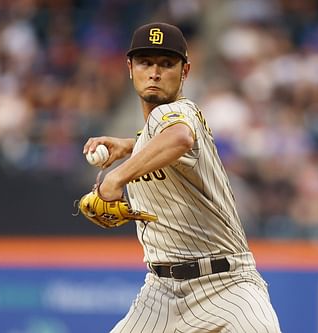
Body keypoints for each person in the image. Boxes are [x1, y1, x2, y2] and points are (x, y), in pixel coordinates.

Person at [83, 22, 282, 333]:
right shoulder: (149, 139)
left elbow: (179, 139)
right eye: (145, 62)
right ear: (130, 68)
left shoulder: (181, 111)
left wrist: (116, 177)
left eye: (166, 64)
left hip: (226, 286)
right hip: (160, 292)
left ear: (185, 71)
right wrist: (128, 146)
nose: (155, 72)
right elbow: (159, 141)